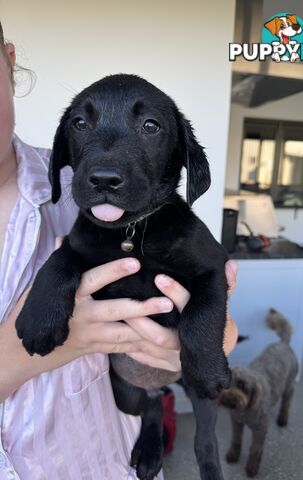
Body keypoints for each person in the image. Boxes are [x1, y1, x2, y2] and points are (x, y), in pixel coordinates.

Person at [0, 22, 238, 480]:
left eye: (149, 126)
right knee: (132, 394)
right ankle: (154, 421)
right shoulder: (80, 217)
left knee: (185, 385)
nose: (105, 168)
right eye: (83, 124)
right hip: (111, 413)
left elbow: (217, 306)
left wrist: (209, 339)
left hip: (105, 456)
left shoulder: (82, 202)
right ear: (68, 151)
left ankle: (202, 445)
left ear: (8, 61)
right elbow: (71, 256)